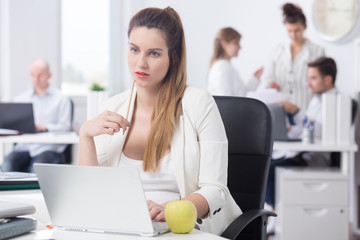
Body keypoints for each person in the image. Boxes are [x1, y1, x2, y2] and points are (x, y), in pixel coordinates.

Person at [78, 7, 241, 235]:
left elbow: (216, 190)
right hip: (120, 229)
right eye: (134, 50)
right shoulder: (110, 109)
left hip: (180, 229)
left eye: (153, 53)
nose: (140, 63)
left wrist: (173, 209)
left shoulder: (198, 104)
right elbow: (90, 195)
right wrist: (85, 135)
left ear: (172, 57)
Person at [266, 57, 338, 208]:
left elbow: (321, 131)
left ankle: (274, 215)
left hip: (313, 158)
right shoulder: (317, 99)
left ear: (328, 79)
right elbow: (308, 128)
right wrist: (290, 130)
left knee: (268, 170)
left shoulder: (336, 102)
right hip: (301, 152)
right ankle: (274, 212)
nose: (308, 83)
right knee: (262, 164)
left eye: (313, 78)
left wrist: (297, 111)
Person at [1, 59, 72, 173]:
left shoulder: (61, 99)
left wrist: (45, 127)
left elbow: (65, 126)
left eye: (40, 75)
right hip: (24, 147)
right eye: (33, 75)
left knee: (36, 172)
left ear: (49, 75)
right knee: (6, 166)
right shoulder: (21, 99)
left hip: (48, 148)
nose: (36, 79)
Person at [261, 3, 325, 110]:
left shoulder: (317, 51)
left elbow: (321, 85)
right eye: (289, 31)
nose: (293, 35)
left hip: (305, 109)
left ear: (305, 27)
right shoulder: (277, 50)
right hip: (281, 110)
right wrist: (270, 86)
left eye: (297, 31)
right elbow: (267, 80)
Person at [207, 27, 263, 96]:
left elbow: (241, 95)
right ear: (224, 44)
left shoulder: (226, 66)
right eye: (236, 43)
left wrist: (255, 79)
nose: (240, 47)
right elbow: (225, 101)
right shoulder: (221, 67)